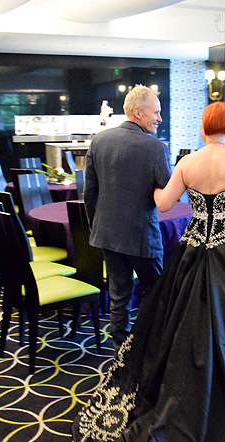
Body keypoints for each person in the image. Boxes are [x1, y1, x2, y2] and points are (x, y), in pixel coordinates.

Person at [29, 102, 225, 442]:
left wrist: (147, 186)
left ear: (204, 127)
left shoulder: (188, 162)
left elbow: (162, 204)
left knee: (180, 319)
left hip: (194, 253)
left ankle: (183, 380)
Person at [83, 84, 171, 348]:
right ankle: (148, 345)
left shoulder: (99, 141)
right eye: (156, 112)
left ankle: (121, 349)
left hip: (107, 234)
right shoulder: (154, 148)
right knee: (155, 292)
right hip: (141, 236)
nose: (160, 118)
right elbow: (168, 193)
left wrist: (96, 228)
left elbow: (90, 194)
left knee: (118, 294)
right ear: (138, 112)